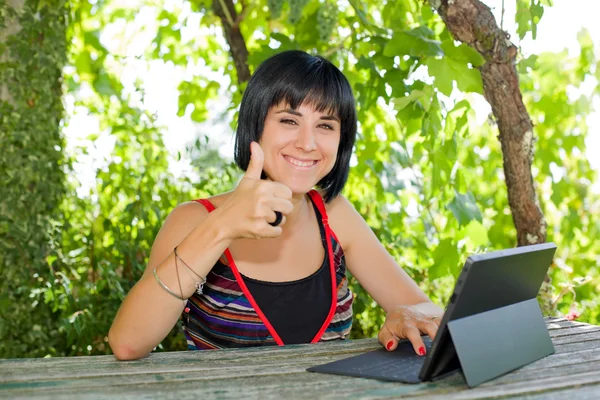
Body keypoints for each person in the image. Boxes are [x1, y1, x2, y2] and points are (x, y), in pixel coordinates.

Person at [108, 50, 444, 361]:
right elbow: (128, 343)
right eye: (289, 120)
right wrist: (220, 227)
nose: (307, 143)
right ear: (256, 124)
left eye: (325, 125)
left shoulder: (334, 215)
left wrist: (408, 316)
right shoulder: (193, 219)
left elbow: (426, 310)